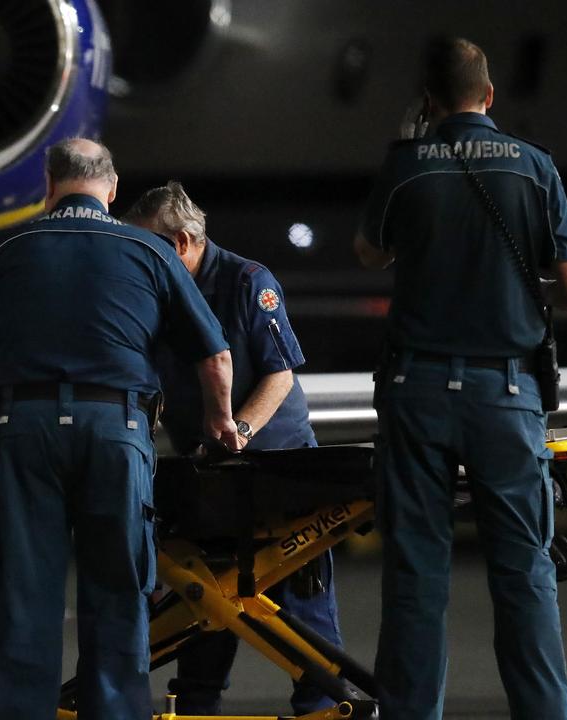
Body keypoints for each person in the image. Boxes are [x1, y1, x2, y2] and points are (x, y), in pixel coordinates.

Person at [0, 138, 240, 719]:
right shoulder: (147, 248)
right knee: (118, 593)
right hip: (115, 431)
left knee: (24, 599)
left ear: (48, 186)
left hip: (25, 431)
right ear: (113, 189)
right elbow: (216, 357)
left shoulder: (5, 247)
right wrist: (221, 419)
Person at [355, 37, 567, 720]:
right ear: (489, 96)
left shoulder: (409, 166)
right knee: (524, 577)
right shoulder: (535, 170)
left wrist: (409, 146)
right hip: (508, 399)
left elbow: (369, 254)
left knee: (418, 578)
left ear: (428, 102)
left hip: (417, 394)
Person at [125, 181, 342, 715]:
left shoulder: (248, 282)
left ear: (180, 243)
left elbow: (279, 377)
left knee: (301, 606)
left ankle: (322, 705)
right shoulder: (159, 292)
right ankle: (198, 705)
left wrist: (237, 434)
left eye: (144, 248)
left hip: (277, 465)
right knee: (204, 601)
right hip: (208, 471)